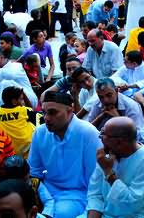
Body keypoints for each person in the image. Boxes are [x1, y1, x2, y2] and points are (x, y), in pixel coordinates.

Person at [28, 90, 101, 218]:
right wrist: (42, 197)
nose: (46, 118)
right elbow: (34, 171)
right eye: (44, 113)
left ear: (70, 110)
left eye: (52, 112)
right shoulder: (40, 132)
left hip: (77, 194)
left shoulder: (88, 133)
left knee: (61, 213)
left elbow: (95, 180)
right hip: (45, 191)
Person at [85, 116, 144, 218]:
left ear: (119, 142)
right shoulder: (106, 156)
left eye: (103, 135)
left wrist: (108, 172)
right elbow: (95, 194)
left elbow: (131, 204)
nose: (100, 138)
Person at [0, 85, 40, 157]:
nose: (23, 102)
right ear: (14, 101)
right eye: (21, 99)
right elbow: (32, 109)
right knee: (37, 117)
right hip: (27, 149)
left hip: (7, 151)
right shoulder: (24, 110)